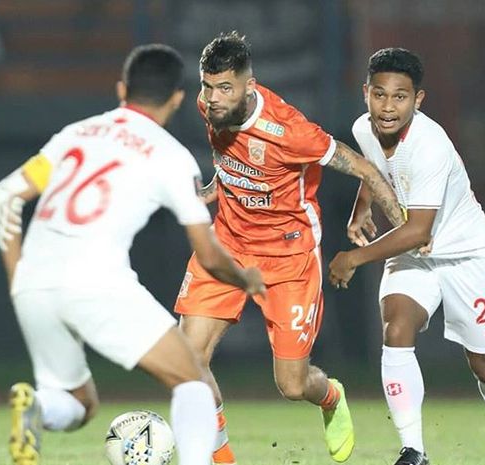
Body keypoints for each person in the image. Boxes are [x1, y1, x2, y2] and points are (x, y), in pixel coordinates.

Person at [0, 44, 266, 465]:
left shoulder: (76, 134)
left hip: (34, 285)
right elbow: (208, 255)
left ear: (122, 88)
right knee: (193, 379)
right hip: (95, 280)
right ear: (177, 97)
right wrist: (244, 279)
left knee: (80, 403)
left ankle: (38, 409)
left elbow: (5, 196)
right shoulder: (170, 155)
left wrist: (19, 280)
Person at [174, 32, 406, 464]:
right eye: (208, 86)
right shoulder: (209, 108)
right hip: (226, 244)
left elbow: (362, 167)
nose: (213, 97)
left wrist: (403, 228)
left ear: (249, 84)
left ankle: (331, 397)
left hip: (289, 258)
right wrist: (211, 189)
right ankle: (220, 455)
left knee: (293, 384)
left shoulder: (289, 131)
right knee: (187, 359)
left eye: (225, 88)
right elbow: (230, 164)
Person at [328, 47, 485, 465]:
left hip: (463, 254)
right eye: (379, 94)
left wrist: (353, 259)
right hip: (414, 254)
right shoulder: (363, 128)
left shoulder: (430, 145)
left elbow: (419, 229)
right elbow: (374, 169)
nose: (387, 106)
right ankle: (413, 450)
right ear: (366, 92)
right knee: (396, 330)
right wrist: (362, 207)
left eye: (400, 96)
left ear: (418, 100)